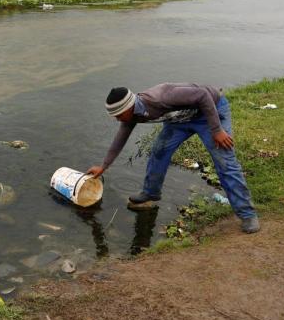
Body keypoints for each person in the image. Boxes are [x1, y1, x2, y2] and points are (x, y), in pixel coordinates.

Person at [86, 84, 260, 234]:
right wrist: (104, 166)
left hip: (209, 113)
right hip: (179, 121)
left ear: (129, 107)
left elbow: (203, 95)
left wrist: (216, 130)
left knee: (225, 162)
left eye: (118, 115)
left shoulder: (160, 97)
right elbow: (120, 138)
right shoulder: (132, 115)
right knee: (159, 151)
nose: (117, 119)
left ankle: (247, 214)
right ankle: (151, 193)